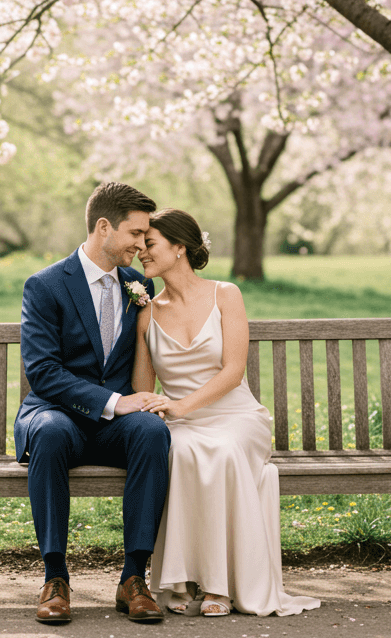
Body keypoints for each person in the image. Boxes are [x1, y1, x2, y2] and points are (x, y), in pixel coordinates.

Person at [134, 209, 321, 618]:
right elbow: (142, 387)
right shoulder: (146, 310)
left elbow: (234, 371)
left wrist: (180, 405)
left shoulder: (226, 294)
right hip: (180, 421)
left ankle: (220, 586)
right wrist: (157, 408)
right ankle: (180, 581)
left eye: (149, 244)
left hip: (236, 415)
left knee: (222, 450)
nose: (140, 252)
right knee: (178, 452)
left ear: (179, 247)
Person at [15, 182, 172, 625]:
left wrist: (136, 404)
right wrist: (114, 401)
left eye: (145, 236)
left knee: (152, 431)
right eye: (136, 233)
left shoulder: (138, 284)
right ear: (104, 227)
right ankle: (55, 577)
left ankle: (133, 578)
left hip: (113, 424)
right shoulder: (45, 285)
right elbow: (43, 372)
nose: (142, 245)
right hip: (55, 411)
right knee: (48, 433)